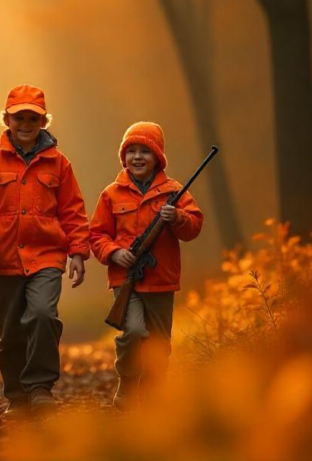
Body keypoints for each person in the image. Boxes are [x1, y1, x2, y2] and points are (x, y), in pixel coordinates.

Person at [0, 85, 89, 415]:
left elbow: (73, 211)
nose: (25, 124)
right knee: (10, 331)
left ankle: (40, 387)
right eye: (19, 117)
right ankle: (17, 396)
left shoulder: (59, 164)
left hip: (48, 255)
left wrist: (78, 252)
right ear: (7, 119)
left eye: (32, 118)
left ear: (43, 122)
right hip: (4, 258)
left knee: (43, 315)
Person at [88, 122, 203, 409]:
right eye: (132, 151)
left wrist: (177, 217)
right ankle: (127, 384)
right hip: (125, 279)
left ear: (158, 158)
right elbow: (97, 234)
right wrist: (114, 253)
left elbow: (193, 227)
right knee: (134, 332)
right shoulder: (111, 194)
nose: (137, 157)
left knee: (159, 344)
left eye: (145, 152)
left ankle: (153, 396)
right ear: (124, 157)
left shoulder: (174, 192)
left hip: (162, 280)